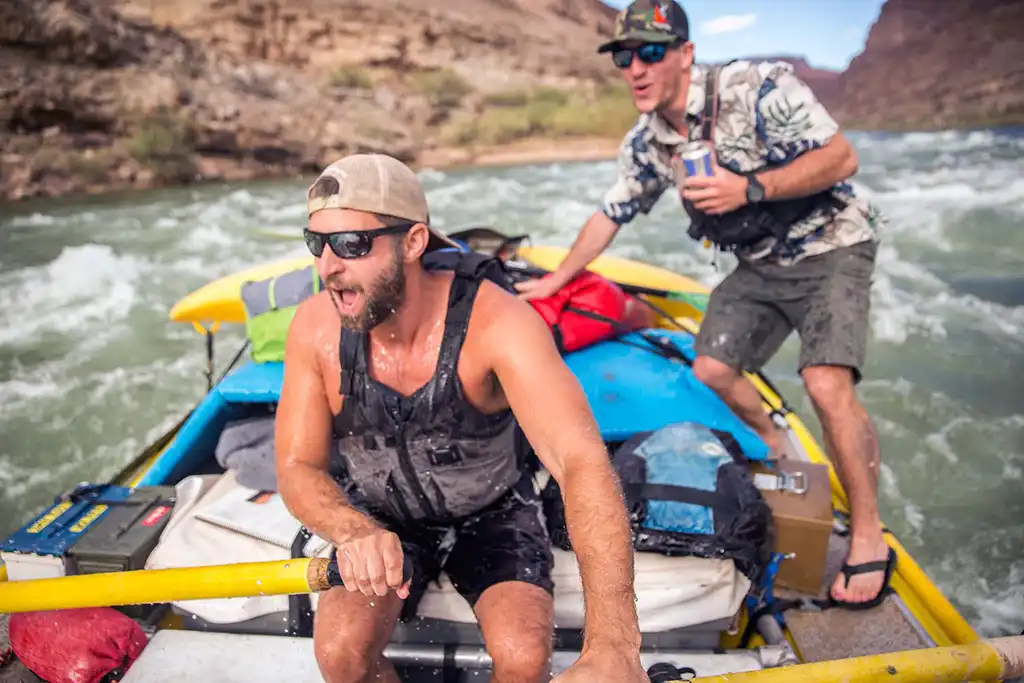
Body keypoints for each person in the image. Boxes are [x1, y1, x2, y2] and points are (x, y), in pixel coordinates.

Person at [516, 0, 893, 610]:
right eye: (623, 55)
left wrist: (748, 187)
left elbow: (841, 158)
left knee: (825, 384)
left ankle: (870, 532)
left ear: (686, 54)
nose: (635, 67)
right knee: (712, 369)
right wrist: (556, 279)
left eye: (651, 51)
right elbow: (609, 213)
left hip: (833, 245)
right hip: (760, 265)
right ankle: (776, 443)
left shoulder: (757, 86)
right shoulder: (647, 144)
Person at [274, 152, 648, 683]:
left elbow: (580, 461)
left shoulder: (498, 322)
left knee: (522, 656)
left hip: (492, 510)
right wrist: (353, 531)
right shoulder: (313, 330)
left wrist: (615, 645)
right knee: (339, 654)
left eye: (353, 244)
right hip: (378, 517)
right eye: (318, 244)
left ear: (413, 242)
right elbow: (296, 466)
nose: (327, 268)